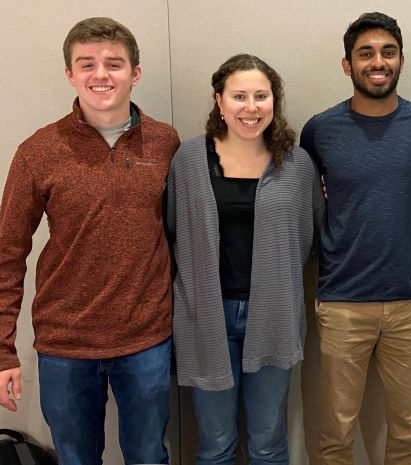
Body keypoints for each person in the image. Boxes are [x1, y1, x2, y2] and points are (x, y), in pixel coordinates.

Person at [0, 17, 179, 465]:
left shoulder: (165, 143)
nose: (101, 75)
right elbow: (7, 254)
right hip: (65, 343)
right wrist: (3, 349)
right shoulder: (38, 151)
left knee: (149, 458)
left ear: (135, 73)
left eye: (114, 64)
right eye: (87, 64)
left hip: (147, 339)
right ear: (70, 74)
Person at [300, 12, 411, 465]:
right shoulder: (320, 130)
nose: (377, 62)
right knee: (336, 432)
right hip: (343, 300)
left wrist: (403, 213)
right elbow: (308, 200)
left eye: (387, 52)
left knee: (409, 430)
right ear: (347, 65)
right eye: (365, 53)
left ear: (401, 60)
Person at [165, 54, 324, 465]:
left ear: (275, 101)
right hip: (206, 316)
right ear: (219, 101)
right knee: (215, 444)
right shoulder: (187, 161)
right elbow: (171, 230)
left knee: (268, 441)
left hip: (274, 314)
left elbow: (309, 236)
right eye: (239, 96)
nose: (250, 107)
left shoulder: (297, 164)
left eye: (261, 96)